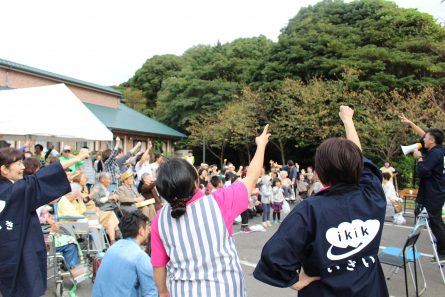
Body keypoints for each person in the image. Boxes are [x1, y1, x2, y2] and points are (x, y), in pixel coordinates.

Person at [254, 106, 389, 296]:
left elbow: (275, 258)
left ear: (320, 173)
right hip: (371, 290)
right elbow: (361, 162)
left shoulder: (310, 210)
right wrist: (348, 121)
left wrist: (295, 282)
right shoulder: (372, 195)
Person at [151, 125, 270, 297]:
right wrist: (261, 145)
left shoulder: (159, 221)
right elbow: (252, 176)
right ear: (195, 181)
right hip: (225, 290)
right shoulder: (219, 203)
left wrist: (163, 293)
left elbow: (158, 264)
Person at [0, 147, 90, 297]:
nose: (23, 167)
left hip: (9, 249)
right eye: (18, 163)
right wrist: (76, 158)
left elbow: (40, 188)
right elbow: (39, 179)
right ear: (4, 169)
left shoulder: (9, 189)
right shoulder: (15, 190)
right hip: (22, 249)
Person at [400, 115, 445, 258]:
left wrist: (419, 158)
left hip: (433, 194)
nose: (423, 139)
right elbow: (423, 134)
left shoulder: (434, 154)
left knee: (435, 222)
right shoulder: (439, 150)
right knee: (435, 221)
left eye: (427, 138)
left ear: (432, 141)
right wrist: (411, 122)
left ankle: (443, 251)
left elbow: (422, 171)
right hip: (437, 192)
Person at [93, 210, 158, 297]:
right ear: (141, 231)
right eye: (147, 228)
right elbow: (151, 293)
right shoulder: (141, 257)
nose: (149, 232)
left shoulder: (112, 249)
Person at [91, 172, 121, 244]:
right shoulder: (96, 187)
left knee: (111, 219)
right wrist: (109, 198)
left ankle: (113, 240)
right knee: (112, 214)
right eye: (109, 179)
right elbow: (97, 201)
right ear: (102, 179)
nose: (110, 181)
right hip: (102, 210)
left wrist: (115, 197)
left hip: (111, 208)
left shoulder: (106, 187)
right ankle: (117, 233)